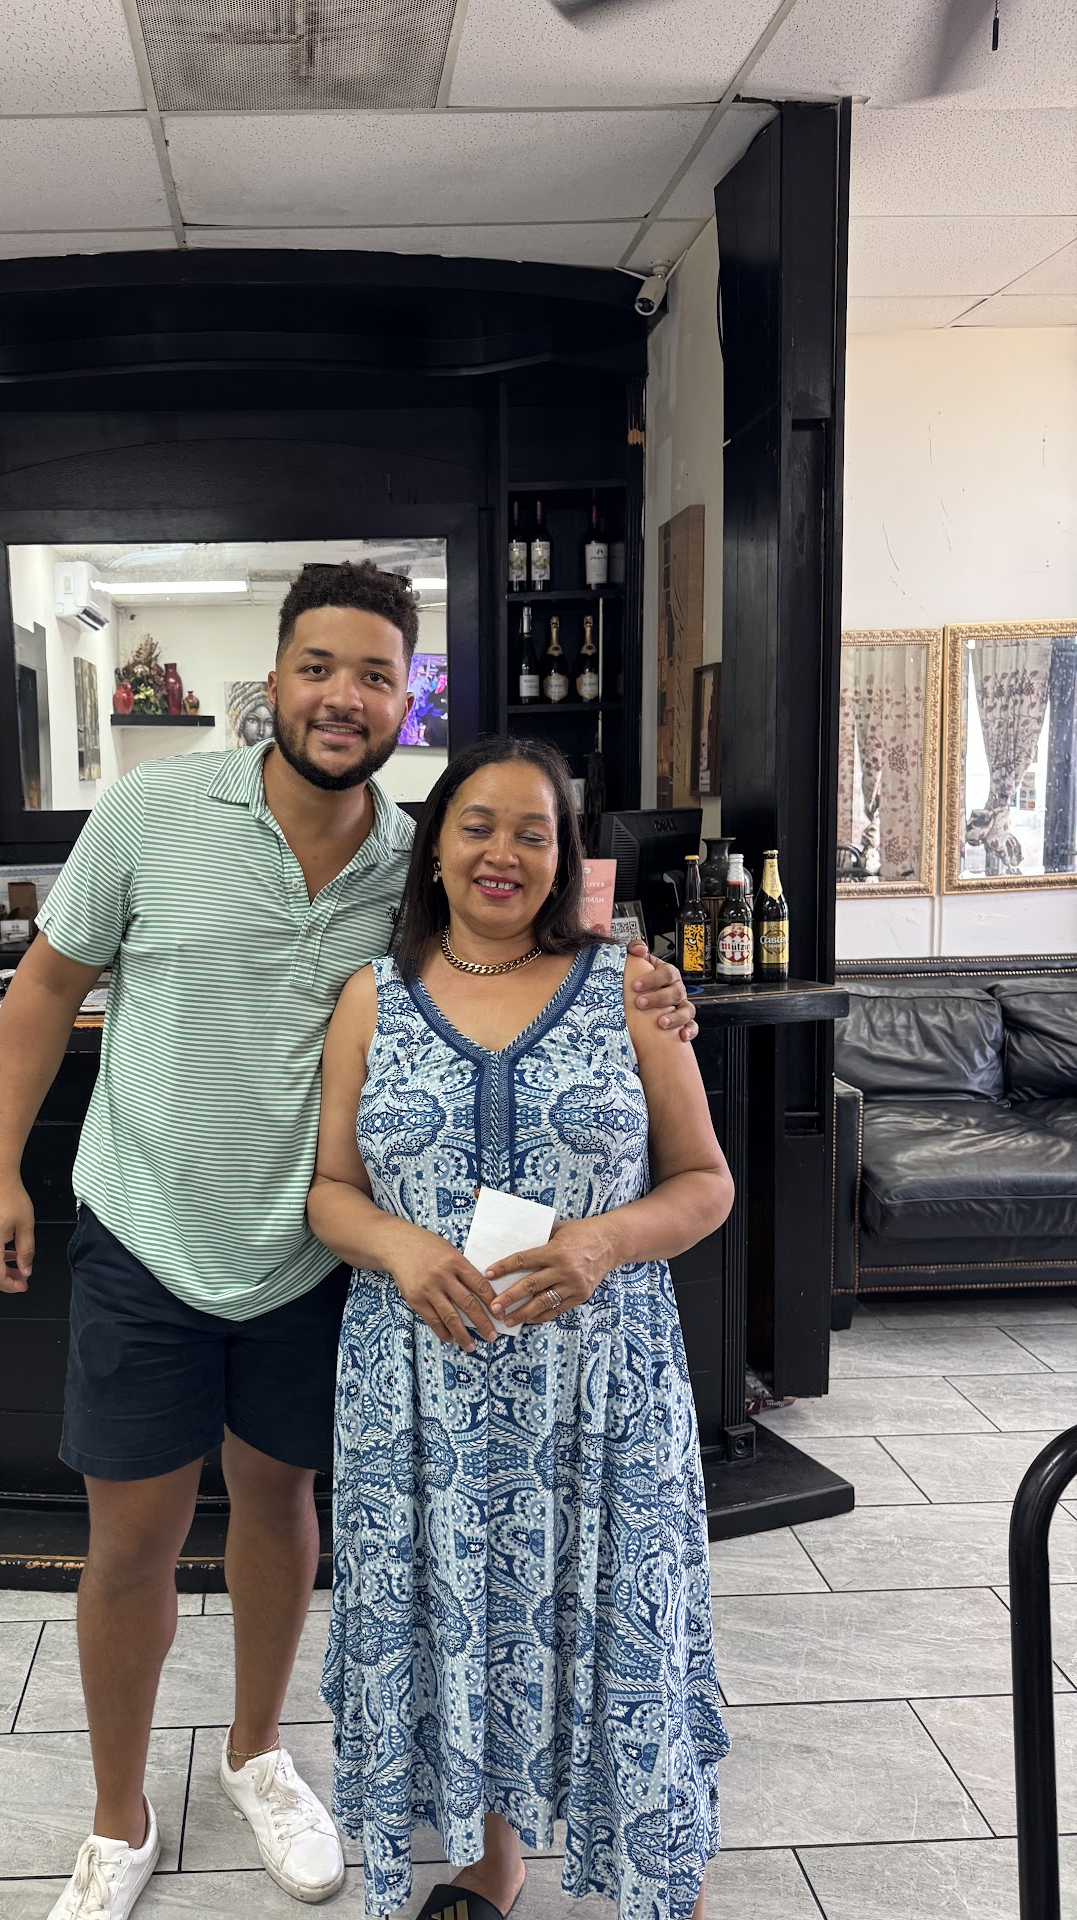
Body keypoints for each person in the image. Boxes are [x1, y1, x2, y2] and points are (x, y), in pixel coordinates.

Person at [0, 563, 701, 1920]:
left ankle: (257, 1754)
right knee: (129, 1540)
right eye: (319, 667)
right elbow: (48, 986)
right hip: (147, 1231)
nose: (343, 696)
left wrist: (647, 982)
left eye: (374, 674)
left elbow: (527, 945)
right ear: (276, 677)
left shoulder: (413, 861)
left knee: (278, 1506)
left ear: (407, 696)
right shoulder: (149, 811)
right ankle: (118, 1816)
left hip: (315, 1260)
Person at [309, 734, 733, 1920]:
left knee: (618, 1625)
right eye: (478, 826)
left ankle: (662, 1876)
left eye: (533, 833)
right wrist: (400, 1246)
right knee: (461, 1622)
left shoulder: (628, 988)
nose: (503, 853)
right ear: (434, 847)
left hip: (599, 1389)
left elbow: (705, 1183)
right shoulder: (372, 998)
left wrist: (604, 1240)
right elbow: (330, 1193)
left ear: (564, 856)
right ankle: (490, 1858)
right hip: (421, 1394)